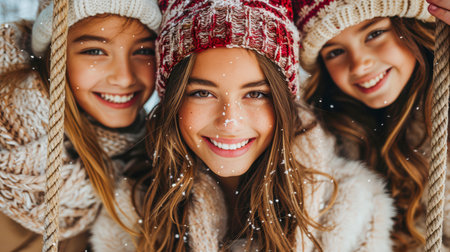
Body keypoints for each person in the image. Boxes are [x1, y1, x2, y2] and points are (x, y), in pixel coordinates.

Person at [126, 0, 394, 251]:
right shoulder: (134, 206)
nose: (230, 121)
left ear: (283, 103)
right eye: (202, 93)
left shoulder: (347, 209)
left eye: (255, 94)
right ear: (173, 99)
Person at [0, 0, 161, 251]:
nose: (124, 77)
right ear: (53, 56)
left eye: (143, 51)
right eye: (95, 51)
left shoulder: (154, 162)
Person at [293, 0, 450, 250]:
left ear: (409, 27)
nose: (359, 64)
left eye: (374, 34)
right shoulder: (335, 141)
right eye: (335, 52)